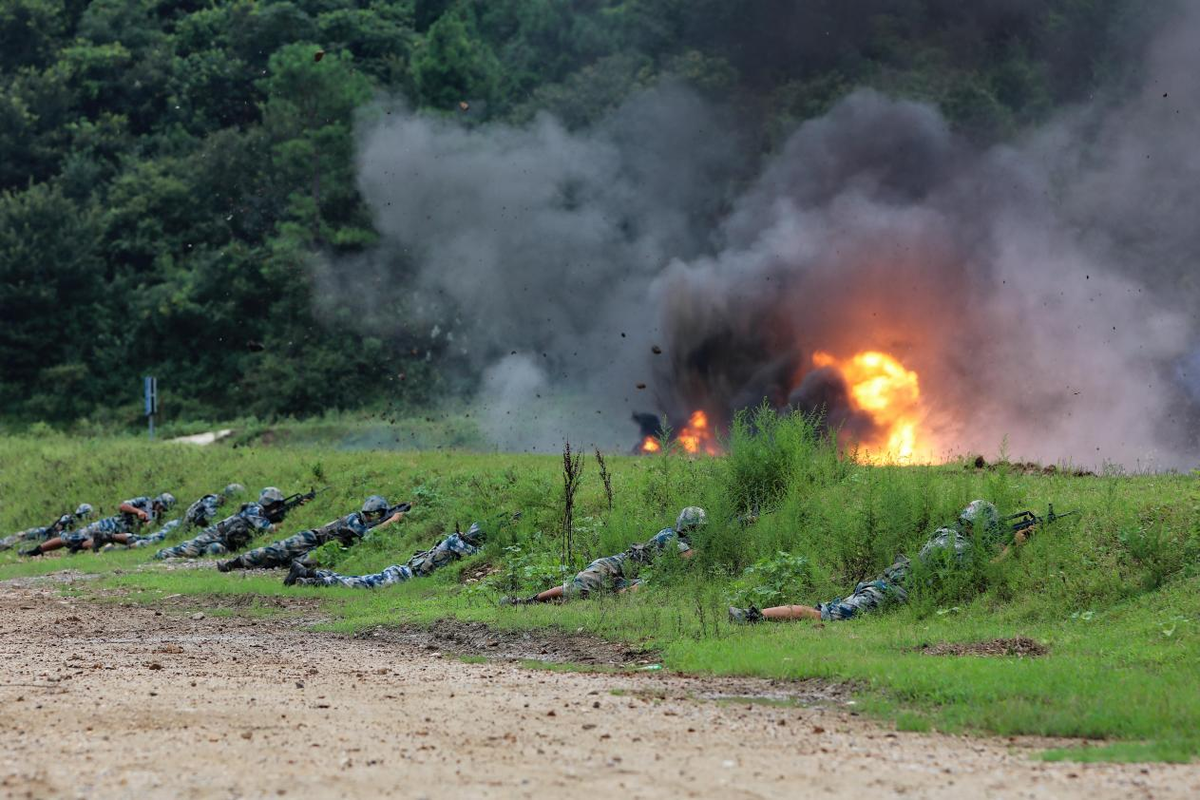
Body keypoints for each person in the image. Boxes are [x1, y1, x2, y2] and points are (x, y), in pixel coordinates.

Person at [728, 500, 1018, 624]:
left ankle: (755, 616)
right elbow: (987, 569)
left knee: (822, 611)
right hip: (885, 594)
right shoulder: (956, 545)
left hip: (883, 588)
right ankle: (753, 617)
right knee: (820, 615)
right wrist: (1015, 546)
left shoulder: (948, 535)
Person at [507, 507, 705, 604]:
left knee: (643, 588)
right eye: (696, 528)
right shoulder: (669, 535)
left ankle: (611, 600)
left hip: (631, 576)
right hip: (613, 566)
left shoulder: (682, 541)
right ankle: (528, 601)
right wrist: (707, 548)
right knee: (577, 588)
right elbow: (687, 556)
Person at [215, 495, 408, 572]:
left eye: (376, 515)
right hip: (312, 538)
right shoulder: (355, 519)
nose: (373, 517)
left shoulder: (363, 521)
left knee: (293, 564)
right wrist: (390, 522)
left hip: (324, 549)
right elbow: (367, 535)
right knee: (274, 551)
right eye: (373, 515)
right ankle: (233, 563)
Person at [284, 517, 487, 588]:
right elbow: (479, 554)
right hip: (402, 576)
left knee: (357, 580)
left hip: (402, 572)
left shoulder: (455, 540)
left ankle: (309, 575)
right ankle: (313, 581)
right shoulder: (456, 542)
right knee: (357, 584)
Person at [152, 487, 298, 560]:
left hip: (223, 542)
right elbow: (268, 528)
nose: (278, 507)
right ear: (270, 502)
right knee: (189, 550)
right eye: (277, 504)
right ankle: (160, 554)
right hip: (214, 533)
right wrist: (286, 523)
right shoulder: (254, 509)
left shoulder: (260, 513)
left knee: (215, 550)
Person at [23, 494, 175, 556]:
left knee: (96, 542)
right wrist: (138, 512)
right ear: (157, 502)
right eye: (161, 506)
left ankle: (76, 548)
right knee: (70, 538)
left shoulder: (158, 517)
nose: (161, 510)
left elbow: (151, 530)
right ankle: (36, 551)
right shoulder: (145, 501)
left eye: (164, 509)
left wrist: (149, 524)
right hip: (110, 524)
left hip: (121, 534)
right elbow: (122, 506)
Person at [119, 484, 247, 549]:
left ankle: (121, 542)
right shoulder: (212, 500)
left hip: (183, 527)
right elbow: (211, 519)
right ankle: (120, 544)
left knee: (151, 538)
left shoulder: (220, 505)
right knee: (153, 539)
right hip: (178, 526)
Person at [0, 504, 94, 551]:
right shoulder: (69, 518)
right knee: (22, 536)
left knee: (25, 543)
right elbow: (58, 527)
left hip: (51, 538)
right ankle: (3, 543)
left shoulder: (83, 524)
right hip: (46, 533)